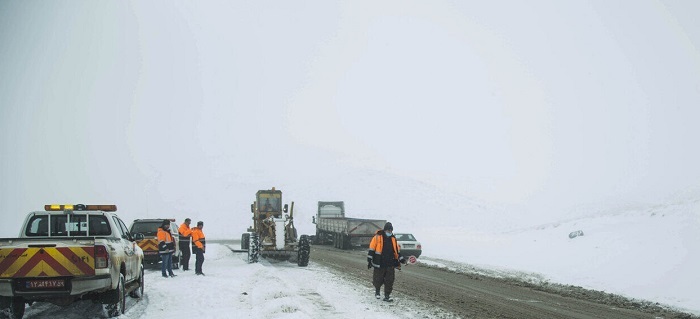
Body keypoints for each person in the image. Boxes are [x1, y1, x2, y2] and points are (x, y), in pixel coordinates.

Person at [367, 222, 405, 302]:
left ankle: (387, 296)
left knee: (390, 280)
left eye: (391, 230)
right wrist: (369, 260)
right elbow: (371, 249)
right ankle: (377, 292)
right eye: (388, 230)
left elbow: (397, 251)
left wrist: (401, 259)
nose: (389, 232)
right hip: (379, 262)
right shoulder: (377, 237)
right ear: (385, 230)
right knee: (378, 279)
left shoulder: (393, 239)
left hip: (390, 263)